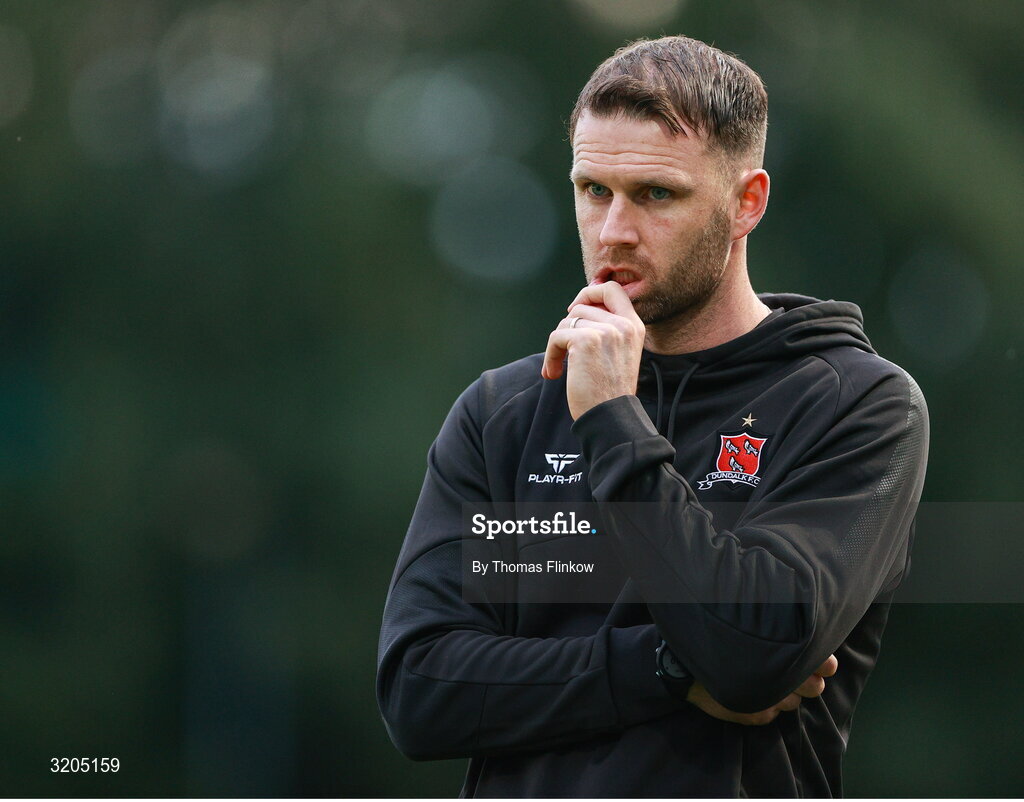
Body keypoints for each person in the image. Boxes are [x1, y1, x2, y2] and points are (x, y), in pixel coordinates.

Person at [376, 35, 928, 797]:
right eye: (593, 189)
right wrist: (665, 667)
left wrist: (611, 417)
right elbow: (423, 690)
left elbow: (748, 655)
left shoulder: (854, 404)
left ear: (747, 203)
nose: (612, 233)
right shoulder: (504, 414)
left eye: (656, 195)